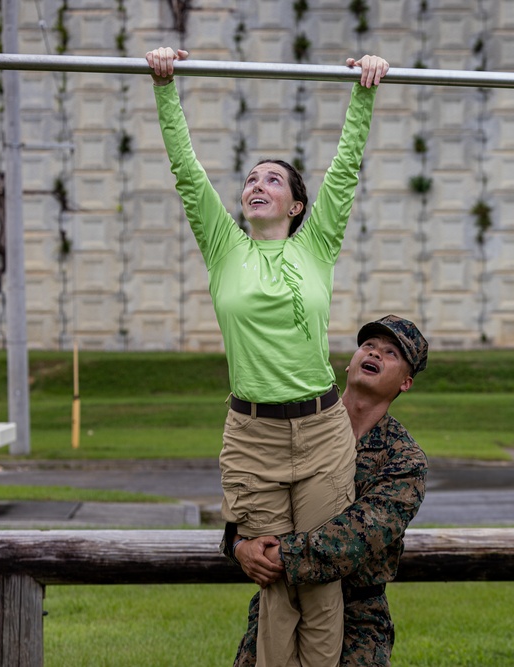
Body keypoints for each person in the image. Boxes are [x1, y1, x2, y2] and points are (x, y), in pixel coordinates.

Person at [146, 46, 390, 666]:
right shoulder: (224, 247)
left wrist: (365, 89)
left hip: (320, 431)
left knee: (319, 578)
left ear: (297, 206)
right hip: (252, 435)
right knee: (274, 577)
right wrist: (165, 86)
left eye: (273, 179)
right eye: (251, 178)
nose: (257, 185)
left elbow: (345, 168)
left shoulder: (317, 245)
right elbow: (186, 169)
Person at [223, 315, 429, 667]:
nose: (375, 354)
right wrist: (239, 545)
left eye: (391, 352)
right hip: (279, 600)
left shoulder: (404, 459)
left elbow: (355, 538)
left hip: (357, 618)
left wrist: (278, 556)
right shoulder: (294, 425)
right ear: (349, 363)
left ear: (405, 382)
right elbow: (251, 494)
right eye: (368, 346)